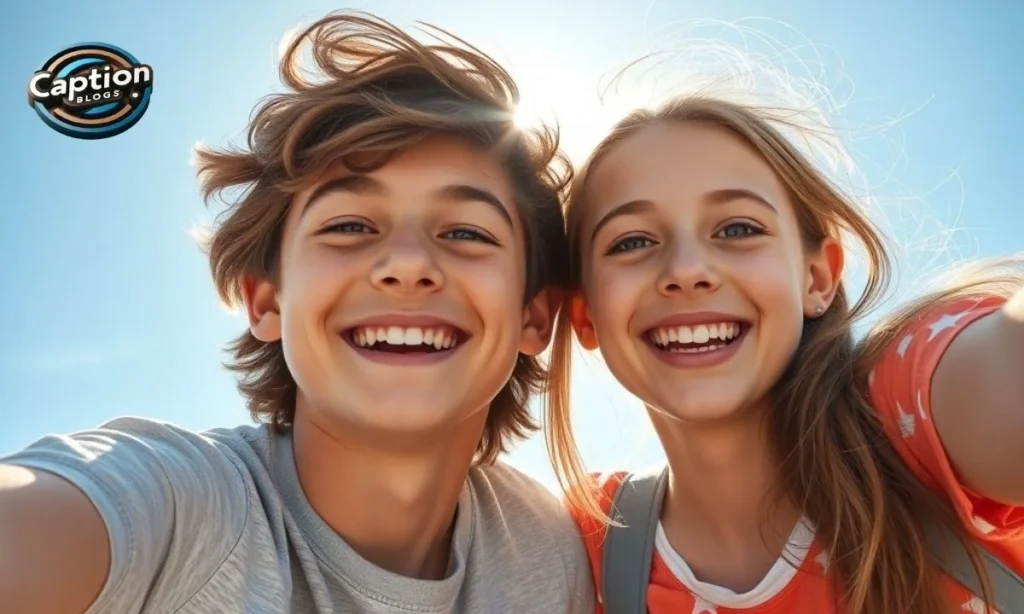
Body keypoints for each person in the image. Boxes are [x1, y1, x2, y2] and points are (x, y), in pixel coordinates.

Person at [0, 12, 594, 614]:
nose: (409, 263)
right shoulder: (169, 504)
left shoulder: (548, 551)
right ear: (266, 300)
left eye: (466, 232)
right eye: (349, 226)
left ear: (534, 319)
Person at [545, 92, 1024, 613]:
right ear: (585, 314)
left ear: (816, 277)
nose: (685, 270)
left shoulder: (910, 416)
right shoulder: (589, 542)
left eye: (738, 229)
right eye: (632, 242)